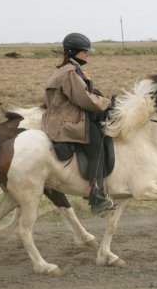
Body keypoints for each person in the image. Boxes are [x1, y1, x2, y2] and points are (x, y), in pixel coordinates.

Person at [42, 32, 116, 214]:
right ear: (74, 52)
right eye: (84, 51)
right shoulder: (70, 73)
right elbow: (84, 99)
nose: (87, 54)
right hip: (68, 121)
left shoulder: (67, 70)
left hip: (63, 118)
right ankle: (96, 197)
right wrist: (107, 104)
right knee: (97, 147)